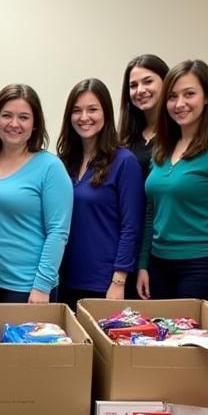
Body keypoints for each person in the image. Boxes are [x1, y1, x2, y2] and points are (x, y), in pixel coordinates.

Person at [137, 60, 208, 309]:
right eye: (173, 97)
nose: (180, 104)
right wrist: (143, 264)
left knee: (187, 345)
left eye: (189, 94)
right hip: (159, 264)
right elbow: (150, 212)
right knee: (160, 344)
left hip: (200, 266)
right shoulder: (163, 148)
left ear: (207, 97)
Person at [0, 84, 73, 303]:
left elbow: (58, 231)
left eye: (24, 117)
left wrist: (42, 286)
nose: (14, 124)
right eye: (7, 115)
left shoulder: (50, 167)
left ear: (35, 124)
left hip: (26, 287)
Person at [56, 78, 144, 310]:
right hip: (65, 278)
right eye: (77, 111)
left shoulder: (124, 161)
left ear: (106, 113)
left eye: (92, 109)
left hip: (104, 283)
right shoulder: (63, 163)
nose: (84, 117)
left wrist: (119, 280)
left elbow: (131, 227)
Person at [117, 55, 168, 178]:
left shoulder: (179, 134)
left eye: (148, 81)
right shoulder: (126, 139)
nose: (140, 90)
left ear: (166, 82)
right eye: (133, 85)